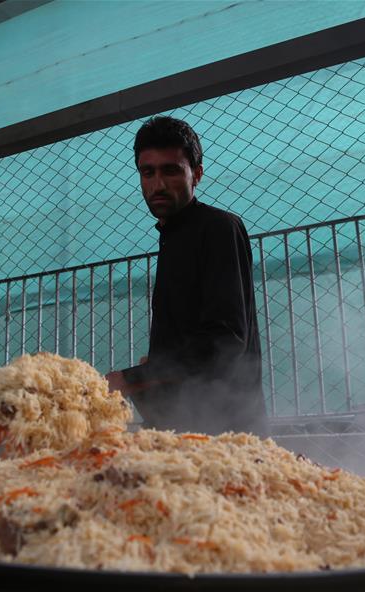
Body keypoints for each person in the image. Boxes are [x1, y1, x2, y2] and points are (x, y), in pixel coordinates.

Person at [105, 116, 267, 435]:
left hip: (226, 433)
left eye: (171, 170)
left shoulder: (219, 228)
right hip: (181, 427)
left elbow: (226, 341)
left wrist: (132, 378)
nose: (158, 184)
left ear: (197, 174)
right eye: (147, 172)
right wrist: (153, 369)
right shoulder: (172, 237)